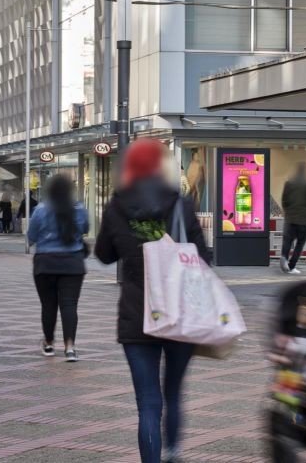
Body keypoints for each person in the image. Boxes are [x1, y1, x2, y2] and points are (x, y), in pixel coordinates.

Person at [95, 139, 210, 463]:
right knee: (173, 393)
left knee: (148, 402)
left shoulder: (117, 205)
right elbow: (203, 257)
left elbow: (103, 255)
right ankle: (173, 453)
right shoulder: (180, 204)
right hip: (179, 313)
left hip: (137, 315)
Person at [27, 175, 88, 362]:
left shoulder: (40, 210)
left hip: (45, 262)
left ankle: (49, 343)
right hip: (73, 262)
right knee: (69, 305)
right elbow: (85, 229)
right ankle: (70, 347)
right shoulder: (79, 210)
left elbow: (32, 236)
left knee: (48, 305)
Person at [280, 162, 306, 275]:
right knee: (299, 244)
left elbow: (284, 199)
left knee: (288, 240)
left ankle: (284, 257)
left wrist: (287, 211)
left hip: (290, 218)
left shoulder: (289, 183)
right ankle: (291, 267)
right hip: (304, 219)